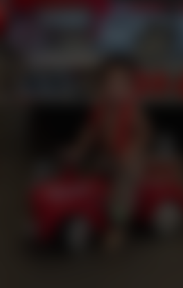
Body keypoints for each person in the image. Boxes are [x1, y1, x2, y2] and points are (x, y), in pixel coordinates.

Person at [64, 57, 150, 250]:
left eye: (120, 84)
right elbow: (90, 131)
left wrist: (132, 151)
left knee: (122, 192)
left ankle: (118, 227)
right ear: (101, 87)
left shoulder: (132, 109)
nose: (114, 89)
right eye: (109, 84)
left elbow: (143, 134)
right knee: (88, 174)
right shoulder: (100, 108)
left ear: (130, 88)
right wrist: (77, 150)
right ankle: (91, 212)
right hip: (109, 157)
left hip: (129, 162)